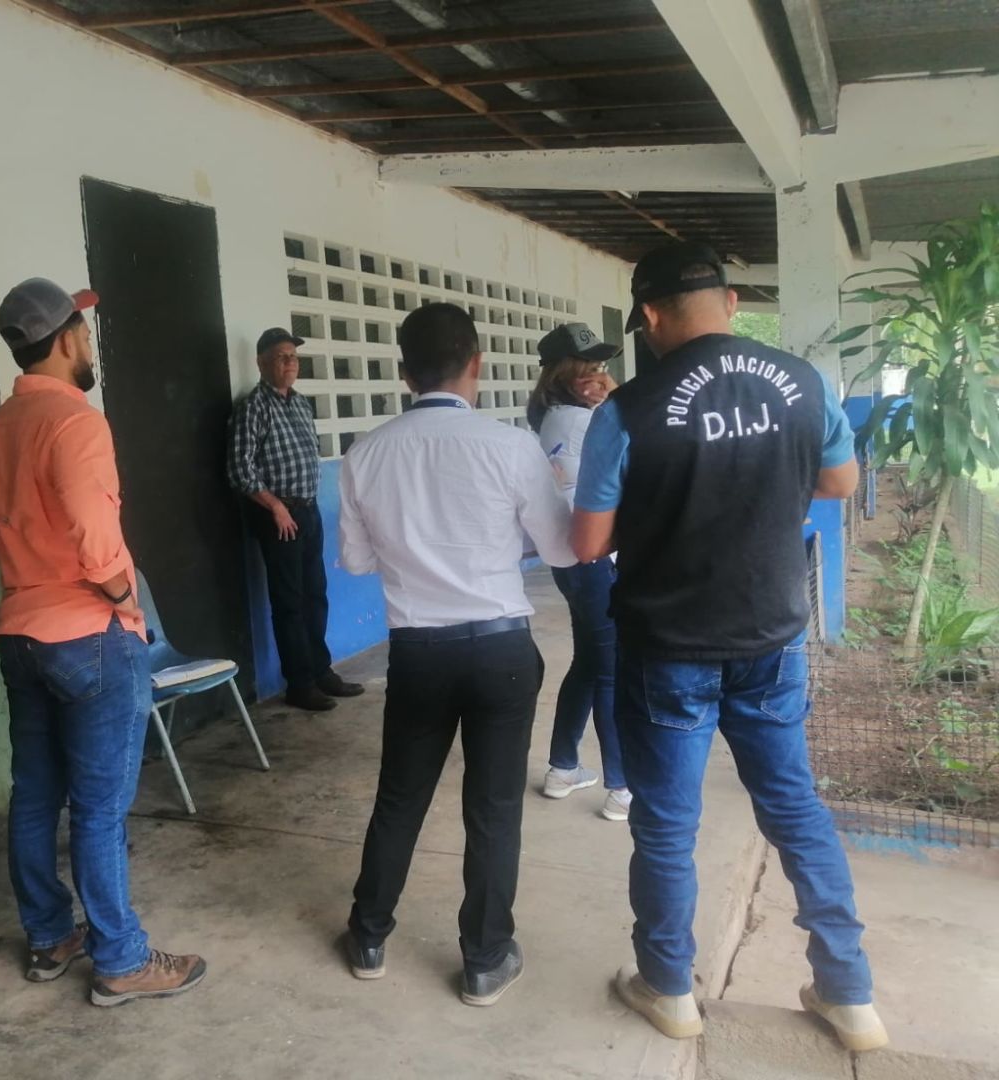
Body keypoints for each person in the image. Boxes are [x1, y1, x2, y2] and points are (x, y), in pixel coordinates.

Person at [572, 242, 886, 1052]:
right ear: (733, 302)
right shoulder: (803, 383)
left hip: (668, 647)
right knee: (795, 809)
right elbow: (841, 483)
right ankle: (849, 995)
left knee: (667, 825)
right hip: (771, 638)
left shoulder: (627, 410)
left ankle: (669, 988)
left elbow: (589, 542)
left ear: (649, 315)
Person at [0, 278, 205, 1007]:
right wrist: (122, 597)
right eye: (84, 330)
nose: (89, 343)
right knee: (100, 809)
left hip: (20, 630)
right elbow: (91, 526)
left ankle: (49, 937)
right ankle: (121, 961)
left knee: (36, 796)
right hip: (88, 634)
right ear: (68, 338)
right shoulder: (75, 422)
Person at [338, 302, 577, 1007]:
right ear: (476, 363)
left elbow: (356, 561)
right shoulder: (511, 447)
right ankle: (484, 960)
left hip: (418, 652)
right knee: (494, 808)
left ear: (404, 373)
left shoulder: (365, 454)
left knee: (399, 797)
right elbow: (562, 548)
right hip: (501, 650)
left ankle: (369, 937)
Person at [228, 328, 365, 712]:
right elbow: (239, 469)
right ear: (261, 363)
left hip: (308, 510)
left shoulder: (301, 404)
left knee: (315, 595)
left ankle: (321, 671)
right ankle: (300, 684)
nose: (290, 363)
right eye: (281, 357)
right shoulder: (254, 408)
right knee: (289, 602)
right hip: (279, 516)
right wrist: (275, 506)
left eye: (293, 357)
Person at [527, 323, 631, 823]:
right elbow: (642, 444)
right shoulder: (582, 422)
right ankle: (622, 787)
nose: (600, 375)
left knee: (589, 663)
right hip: (593, 561)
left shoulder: (555, 417)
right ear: (567, 374)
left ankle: (562, 768)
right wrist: (617, 397)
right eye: (592, 367)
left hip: (573, 559)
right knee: (610, 671)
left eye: (602, 367)